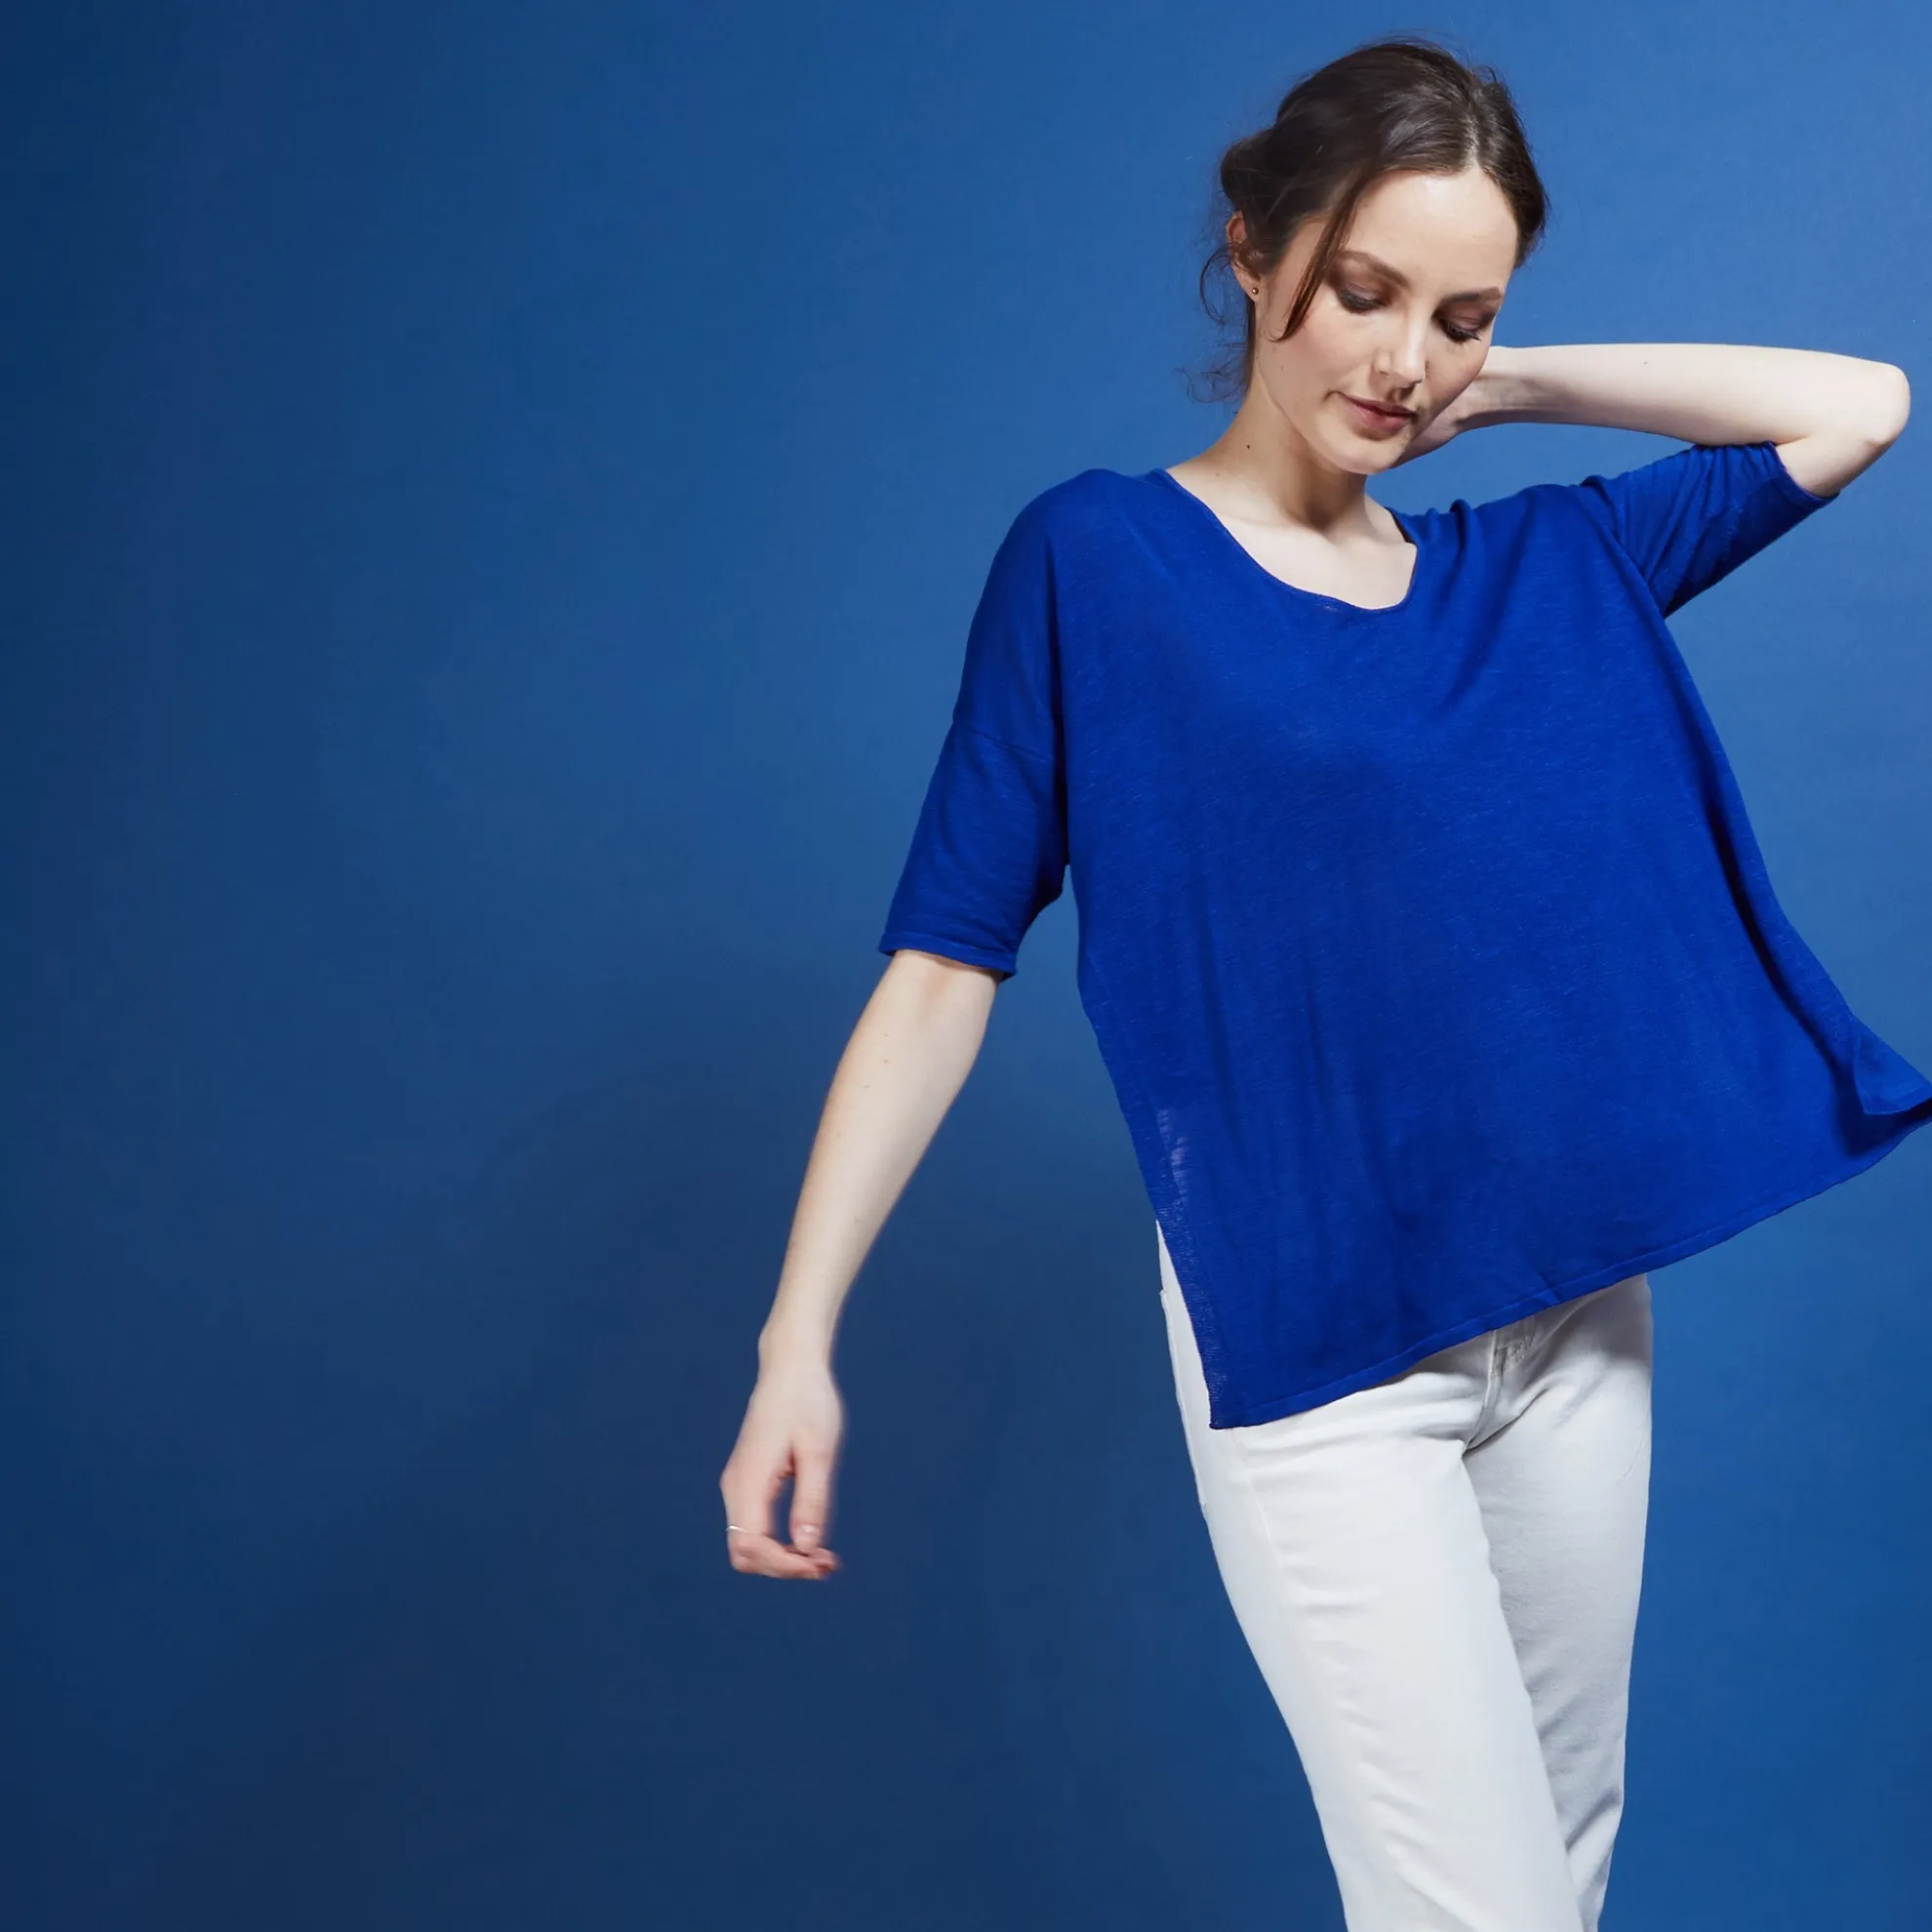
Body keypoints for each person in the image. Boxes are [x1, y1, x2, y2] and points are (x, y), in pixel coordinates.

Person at [719, 33, 1932, 1932]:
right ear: (1254, 247)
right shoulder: (1101, 564)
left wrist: (1506, 383)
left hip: (1571, 1313)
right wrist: (798, 1337)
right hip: (1319, 1346)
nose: (1403, 359)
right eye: (1364, 290)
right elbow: (945, 967)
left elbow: (1862, 403)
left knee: (1560, 1880)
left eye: (1459, 314)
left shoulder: (1537, 568)